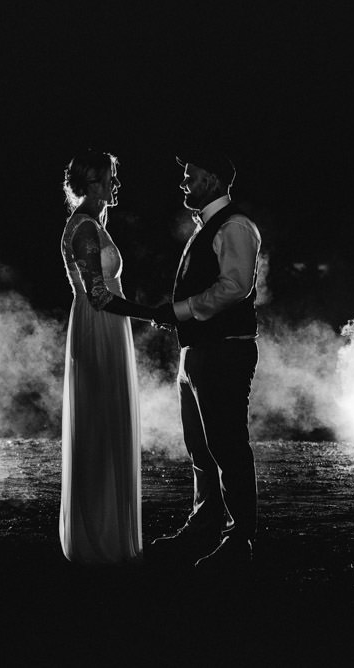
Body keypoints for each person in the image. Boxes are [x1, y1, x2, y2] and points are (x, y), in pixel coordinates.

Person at [149, 148, 262, 569]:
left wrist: (177, 311)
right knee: (200, 446)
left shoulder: (235, 225)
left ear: (213, 180)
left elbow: (234, 287)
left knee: (225, 445)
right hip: (198, 350)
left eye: (190, 175)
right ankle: (205, 525)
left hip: (224, 348)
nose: (184, 182)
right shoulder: (211, 227)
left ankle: (239, 541)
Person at [59, 149, 156, 564]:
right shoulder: (82, 227)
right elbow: (99, 296)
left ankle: (108, 531)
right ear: (94, 182)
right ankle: (99, 536)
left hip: (107, 329)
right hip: (98, 329)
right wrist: (154, 314)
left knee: (105, 424)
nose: (117, 185)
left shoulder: (93, 224)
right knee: (99, 426)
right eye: (111, 178)